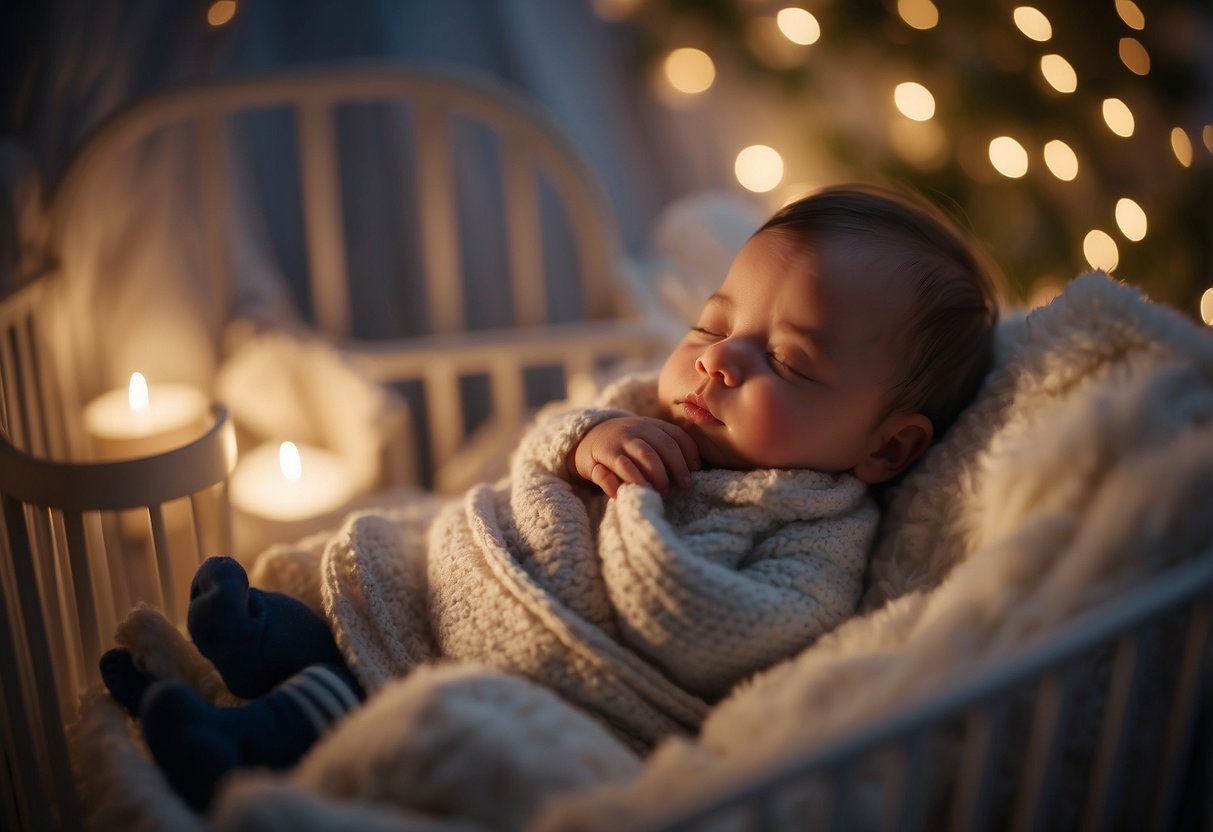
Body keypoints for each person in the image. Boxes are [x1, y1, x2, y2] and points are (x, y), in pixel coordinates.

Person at [100, 183, 1000, 811]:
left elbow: (723, 629)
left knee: (402, 715)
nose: (719, 358)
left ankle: (244, 738)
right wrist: (588, 440)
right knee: (379, 574)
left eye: (791, 360)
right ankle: (263, 640)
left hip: (552, 683)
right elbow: (544, 446)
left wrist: (641, 507)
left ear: (887, 445)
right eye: (712, 324)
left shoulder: (818, 533)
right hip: (465, 589)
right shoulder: (656, 408)